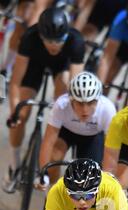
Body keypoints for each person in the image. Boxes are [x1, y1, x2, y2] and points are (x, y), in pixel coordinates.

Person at [3, 6, 85, 193]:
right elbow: (15, 82)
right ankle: (14, 166)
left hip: (62, 68)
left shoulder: (75, 41)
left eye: (59, 40)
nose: (54, 45)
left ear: (66, 35)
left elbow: (75, 87)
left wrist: (66, 114)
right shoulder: (29, 38)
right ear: (40, 35)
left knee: (64, 86)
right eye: (49, 40)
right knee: (21, 116)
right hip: (35, 66)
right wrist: (15, 111)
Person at [38, 71, 116, 185]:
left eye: (90, 103)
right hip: (67, 132)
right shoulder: (61, 105)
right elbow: (48, 142)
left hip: (92, 137)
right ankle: (52, 192)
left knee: (87, 176)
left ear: (98, 100)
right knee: (54, 157)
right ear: (71, 100)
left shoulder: (107, 110)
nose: (85, 109)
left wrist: (108, 179)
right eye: (80, 103)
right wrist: (43, 174)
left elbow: (111, 151)